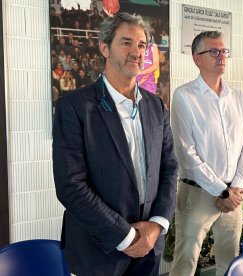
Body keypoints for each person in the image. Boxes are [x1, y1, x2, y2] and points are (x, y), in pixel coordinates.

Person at [53, 12, 178, 276]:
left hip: (149, 248)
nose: (136, 52)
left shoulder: (156, 105)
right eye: (126, 42)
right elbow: (71, 186)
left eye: (142, 45)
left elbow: (169, 168)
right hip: (100, 249)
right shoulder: (74, 107)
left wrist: (156, 226)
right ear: (104, 48)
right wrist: (127, 236)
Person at [169, 31, 243, 276]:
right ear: (197, 58)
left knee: (230, 262)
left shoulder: (237, 96)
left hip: (234, 194)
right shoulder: (185, 96)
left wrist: (235, 187)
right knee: (185, 261)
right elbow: (186, 153)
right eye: (214, 52)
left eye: (224, 51)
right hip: (198, 192)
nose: (221, 56)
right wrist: (222, 191)